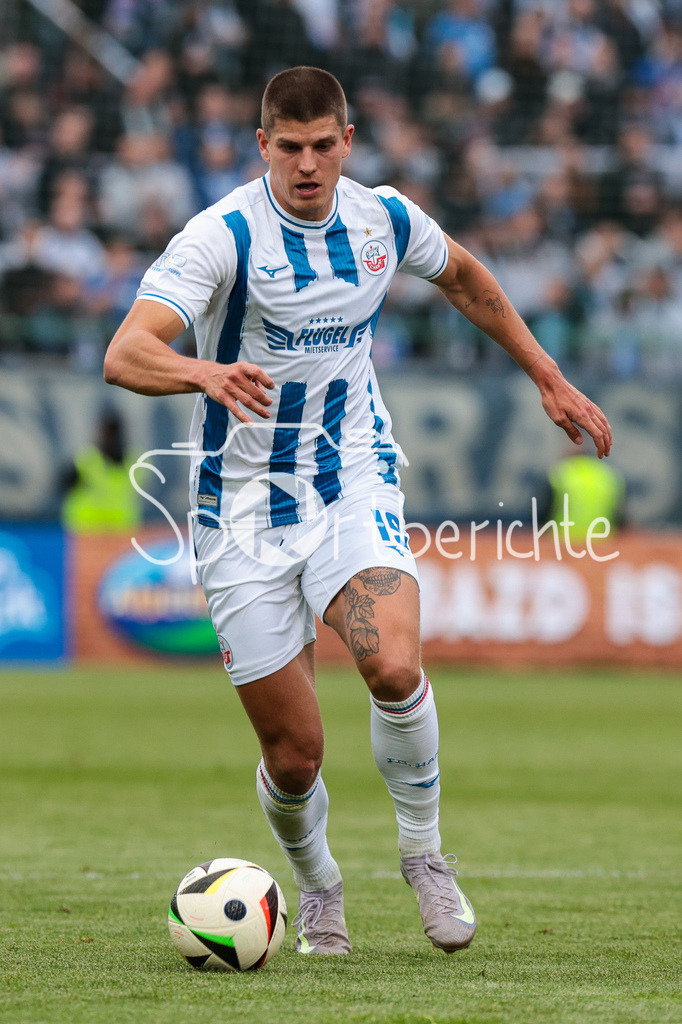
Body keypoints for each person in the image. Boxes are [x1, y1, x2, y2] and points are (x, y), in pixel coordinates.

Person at [103, 66, 613, 956]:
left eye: (321, 146)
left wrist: (548, 374)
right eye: (288, 147)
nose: (306, 164)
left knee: (393, 665)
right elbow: (125, 352)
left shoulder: (384, 220)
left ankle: (425, 858)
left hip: (351, 483)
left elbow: (466, 279)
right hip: (240, 513)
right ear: (262, 145)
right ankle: (319, 889)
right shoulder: (221, 236)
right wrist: (203, 371)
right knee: (294, 754)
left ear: (347, 142)